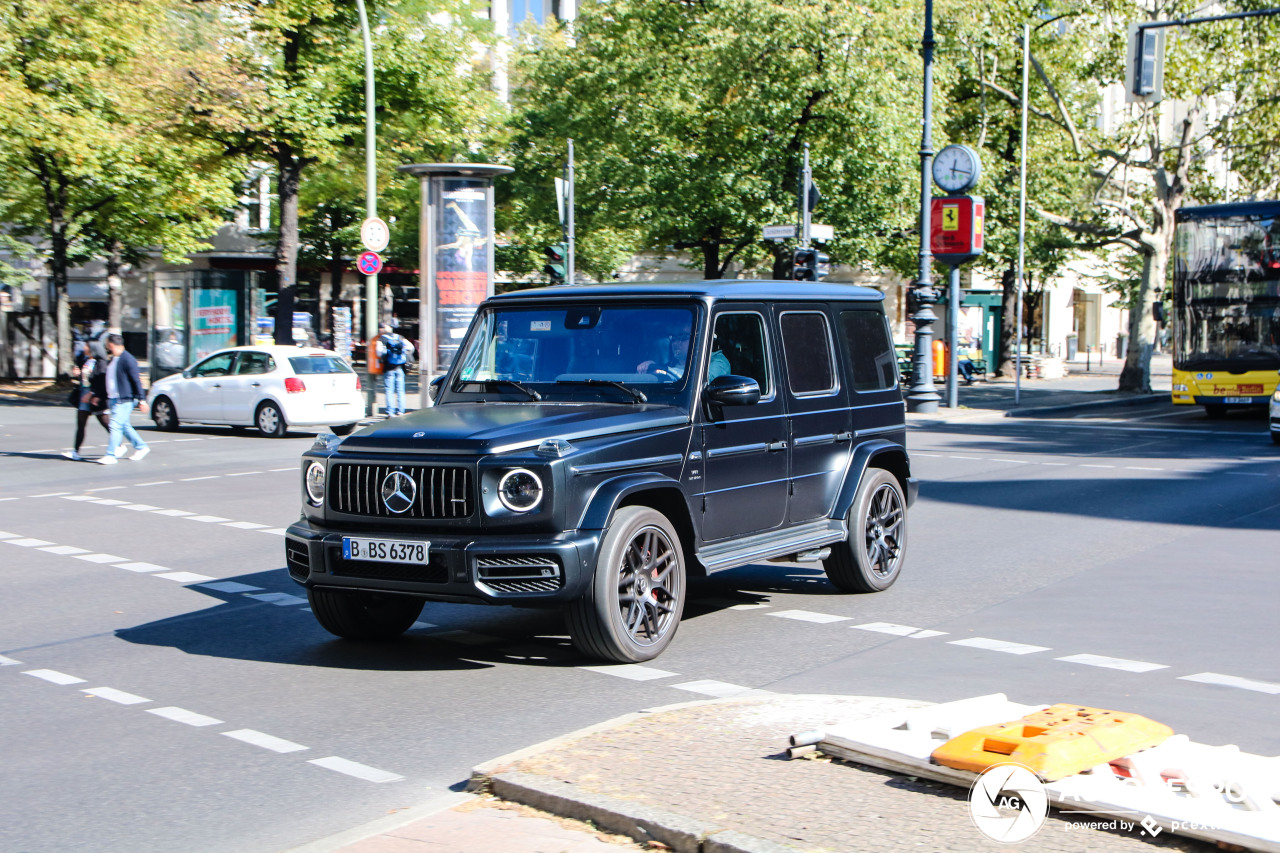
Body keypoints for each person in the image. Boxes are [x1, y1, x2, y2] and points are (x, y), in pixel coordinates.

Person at [99, 334, 150, 464]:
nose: (106, 347)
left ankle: (111, 454)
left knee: (115, 425)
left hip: (124, 399)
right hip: (115, 398)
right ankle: (141, 447)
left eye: (107, 344)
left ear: (111, 345)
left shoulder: (128, 359)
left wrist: (142, 400)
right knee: (124, 426)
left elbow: (136, 380)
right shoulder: (115, 358)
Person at [63, 342, 110, 460]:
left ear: (93, 349)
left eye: (87, 347)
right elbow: (85, 379)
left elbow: (101, 381)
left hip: (93, 395)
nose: (84, 348)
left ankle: (119, 445)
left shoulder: (100, 363)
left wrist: (94, 394)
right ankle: (75, 451)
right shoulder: (87, 360)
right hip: (84, 394)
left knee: (105, 422)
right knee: (81, 423)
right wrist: (77, 375)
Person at [375, 322, 415, 417]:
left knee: (389, 390)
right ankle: (401, 411)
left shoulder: (382, 339)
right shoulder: (400, 337)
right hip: (400, 366)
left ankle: (390, 412)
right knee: (400, 390)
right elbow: (411, 348)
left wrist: (384, 357)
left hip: (389, 367)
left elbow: (379, 353)